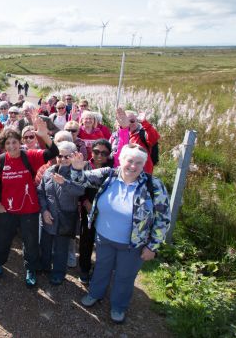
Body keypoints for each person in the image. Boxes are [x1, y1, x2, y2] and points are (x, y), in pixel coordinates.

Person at [70, 145, 171, 324]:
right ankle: (95, 293)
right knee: (101, 267)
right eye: (129, 161)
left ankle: (118, 306)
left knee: (125, 276)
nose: (133, 166)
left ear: (144, 165)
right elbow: (79, 181)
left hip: (133, 244)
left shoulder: (153, 185)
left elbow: (163, 218)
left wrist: (152, 246)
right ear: (121, 160)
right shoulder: (108, 175)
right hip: (104, 237)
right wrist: (76, 168)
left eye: (139, 163)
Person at [0, 118, 59, 287]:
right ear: (3, 145)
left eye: (14, 142)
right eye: (8, 143)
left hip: (29, 208)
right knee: (3, 239)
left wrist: (45, 137)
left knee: (30, 241)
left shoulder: (30, 156)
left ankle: (31, 268)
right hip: (7, 208)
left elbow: (53, 152)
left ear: (19, 142)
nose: (12, 146)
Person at [37, 141, 86, 285]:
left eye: (67, 156)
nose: (63, 159)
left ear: (74, 156)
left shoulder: (77, 173)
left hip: (65, 218)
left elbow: (80, 191)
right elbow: (40, 192)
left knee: (61, 248)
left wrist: (65, 183)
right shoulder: (49, 170)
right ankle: (44, 266)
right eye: (60, 156)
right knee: (44, 244)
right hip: (47, 216)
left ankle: (58, 273)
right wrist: (44, 210)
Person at [78, 138, 114, 284]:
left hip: (106, 212)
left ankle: (99, 271)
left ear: (109, 155)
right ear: (91, 152)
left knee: (103, 243)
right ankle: (85, 269)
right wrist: (84, 201)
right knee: (86, 239)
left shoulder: (112, 170)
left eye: (104, 153)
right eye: (96, 152)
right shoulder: (84, 166)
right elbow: (77, 185)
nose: (100, 155)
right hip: (87, 208)